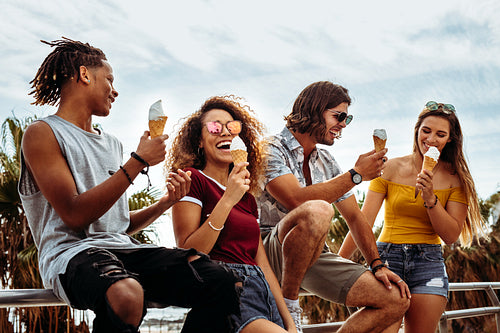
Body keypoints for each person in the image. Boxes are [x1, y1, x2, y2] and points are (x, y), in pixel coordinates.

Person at [18, 38, 241, 333]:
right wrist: (137, 162)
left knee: (224, 281)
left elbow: (117, 226)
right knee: (126, 294)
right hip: (70, 256)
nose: (115, 90)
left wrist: (166, 202)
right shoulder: (43, 133)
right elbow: (74, 215)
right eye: (109, 79)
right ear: (85, 75)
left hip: (125, 252)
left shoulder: (111, 143)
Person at [257, 81, 411, 333]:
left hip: (311, 253)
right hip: (268, 251)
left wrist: (377, 264)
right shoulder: (269, 148)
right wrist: (356, 175)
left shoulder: (326, 160)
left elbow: (355, 217)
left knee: (395, 299)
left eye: (347, 119)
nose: (343, 124)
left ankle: (291, 299)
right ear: (313, 110)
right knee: (318, 210)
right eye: (338, 116)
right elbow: (295, 199)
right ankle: (289, 304)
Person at [339, 101, 487, 332]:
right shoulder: (388, 168)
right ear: (417, 131)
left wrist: (431, 199)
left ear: (450, 139)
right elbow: (363, 220)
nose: (431, 139)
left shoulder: (455, 179)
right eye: (426, 131)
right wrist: (338, 263)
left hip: (427, 263)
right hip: (386, 259)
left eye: (440, 134)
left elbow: (450, 235)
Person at [166, 95, 297, 332]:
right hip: (230, 290)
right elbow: (188, 252)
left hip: (263, 292)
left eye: (232, 127)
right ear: (199, 140)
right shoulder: (192, 179)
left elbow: (262, 262)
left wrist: (288, 320)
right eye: (215, 127)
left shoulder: (247, 197)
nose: (225, 132)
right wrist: (227, 200)